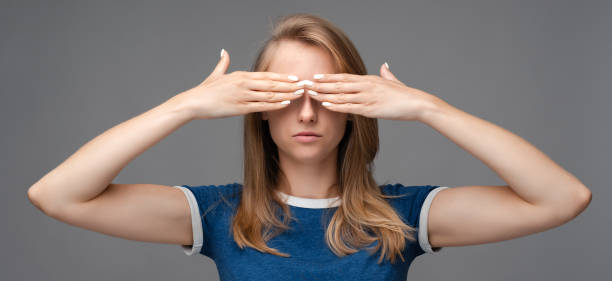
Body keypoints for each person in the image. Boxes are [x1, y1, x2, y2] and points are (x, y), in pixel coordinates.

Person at [26, 13, 592, 281]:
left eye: (327, 92)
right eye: (285, 92)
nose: (306, 112)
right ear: (257, 108)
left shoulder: (404, 219)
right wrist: (185, 106)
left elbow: (562, 198)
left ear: (356, 107)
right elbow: (56, 195)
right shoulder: (221, 216)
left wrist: (428, 108)